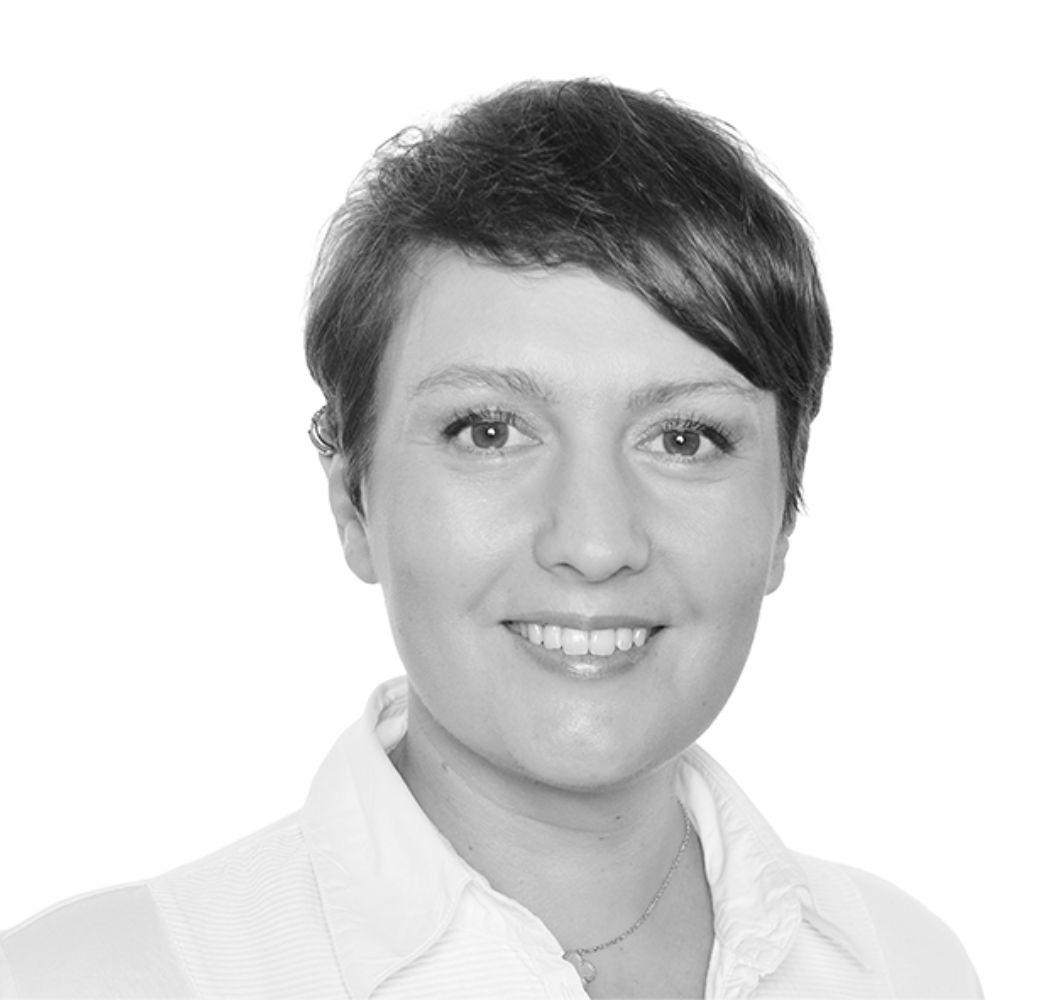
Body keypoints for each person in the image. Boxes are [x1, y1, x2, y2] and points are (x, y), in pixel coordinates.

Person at [0, 79, 981, 999]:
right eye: (488, 431)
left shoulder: (903, 966)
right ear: (352, 500)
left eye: (684, 438)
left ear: (784, 511)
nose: (594, 541)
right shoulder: (101, 979)